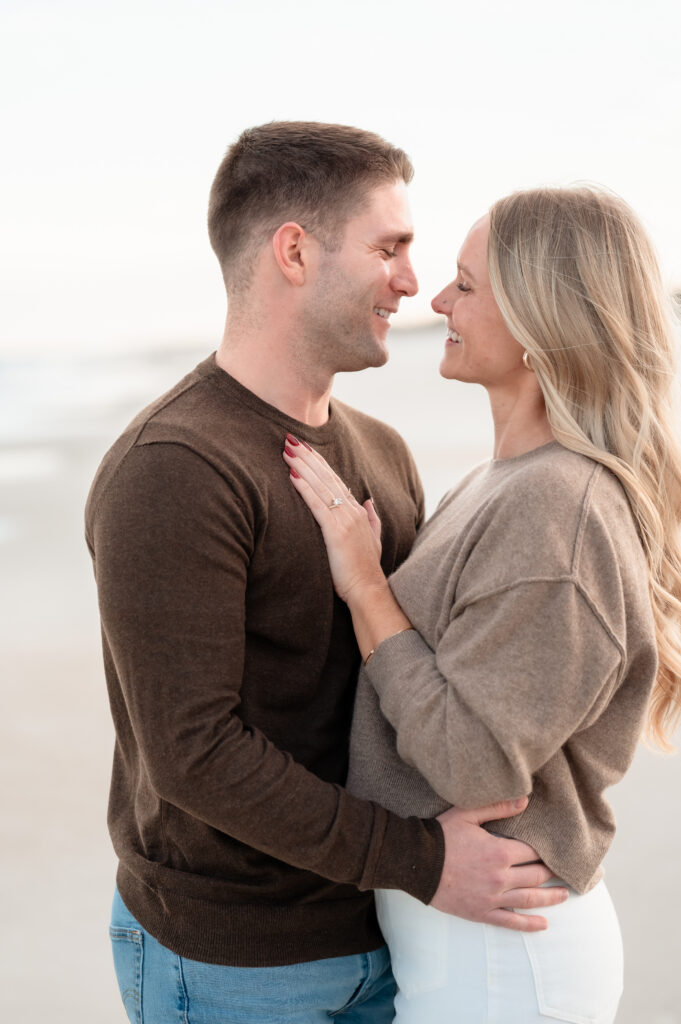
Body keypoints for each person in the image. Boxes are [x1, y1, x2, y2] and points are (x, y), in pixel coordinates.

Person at [85, 123, 565, 1024]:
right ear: (295, 252)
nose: (412, 283)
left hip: (388, 933)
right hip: (238, 963)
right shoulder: (175, 468)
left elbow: (413, 676)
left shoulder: (378, 452)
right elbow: (192, 754)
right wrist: (422, 859)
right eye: (389, 247)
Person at [282, 185, 681, 1023]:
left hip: (503, 954)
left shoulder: (556, 505)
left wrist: (365, 590)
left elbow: (472, 764)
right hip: (466, 938)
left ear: (543, 320)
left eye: (466, 284)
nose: (435, 300)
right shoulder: (502, 483)